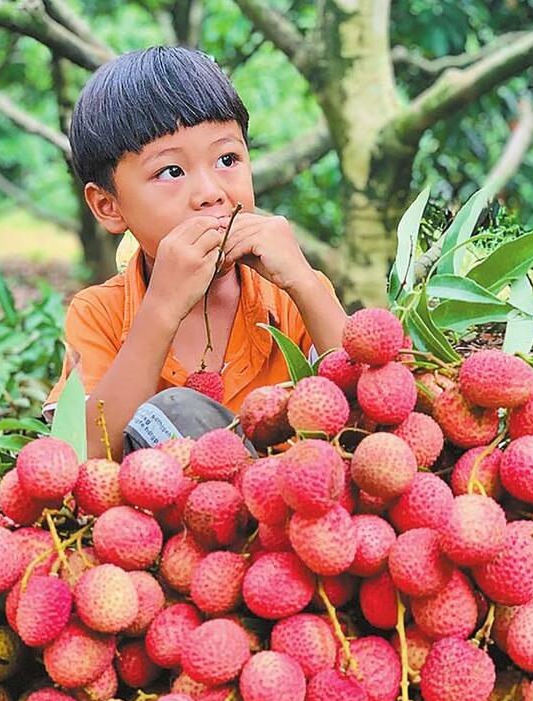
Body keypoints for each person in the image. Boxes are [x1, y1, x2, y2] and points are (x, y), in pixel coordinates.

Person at [44, 46, 346, 459]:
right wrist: (162, 308)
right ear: (108, 206)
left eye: (227, 159)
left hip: (297, 504)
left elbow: (372, 408)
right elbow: (81, 455)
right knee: (175, 411)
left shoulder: (292, 296)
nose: (210, 194)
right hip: (174, 516)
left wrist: (305, 283)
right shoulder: (99, 313)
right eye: (171, 171)